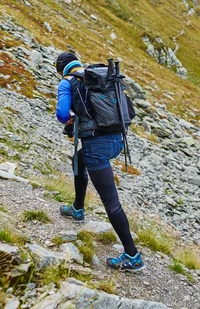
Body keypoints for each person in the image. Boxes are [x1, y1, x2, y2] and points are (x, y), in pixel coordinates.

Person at [54, 51, 144, 272]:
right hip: (117, 140)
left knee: (111, 203)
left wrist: (71, 119)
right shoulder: (96, 76)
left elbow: (61, 114)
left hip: (97, 146)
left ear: (61, 68)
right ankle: (77, 208)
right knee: (78, 159)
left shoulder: (67, 82)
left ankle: (133, 256)